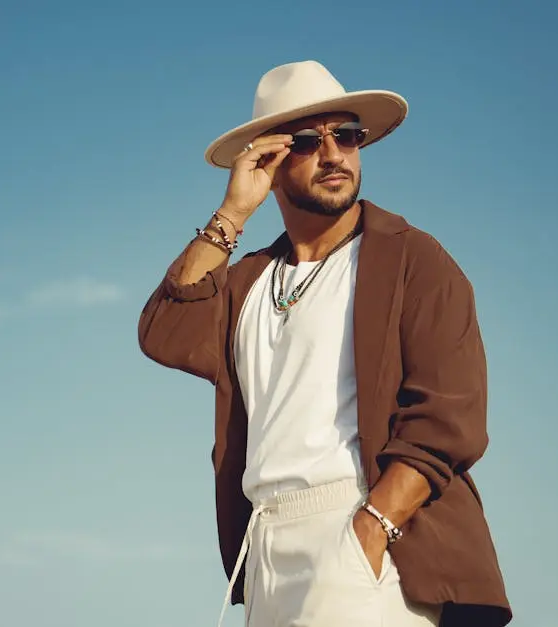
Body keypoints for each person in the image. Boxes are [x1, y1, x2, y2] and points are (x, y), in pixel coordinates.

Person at [138, 60, 512, 627]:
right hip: (264, 547)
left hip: (367, 534)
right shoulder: (251, 281)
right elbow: (166, 332)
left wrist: (370, 529)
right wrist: (234, 211)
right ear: (269, 157)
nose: (334, 153)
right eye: (309, 141)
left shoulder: (412, 259)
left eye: (348, 136)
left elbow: (451, 417)